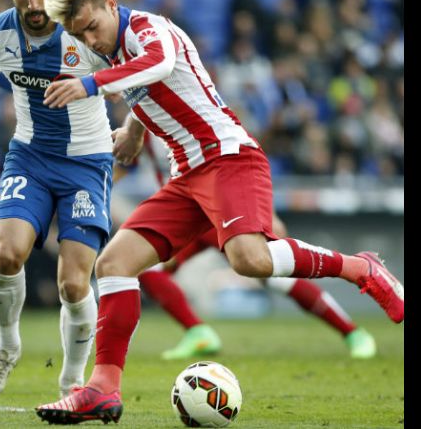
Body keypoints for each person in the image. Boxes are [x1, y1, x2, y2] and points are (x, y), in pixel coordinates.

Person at [34, 0, 404, 424]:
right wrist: (132, 128)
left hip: (229, 158)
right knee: (114, 263)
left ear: (111, 5)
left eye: (92, 26)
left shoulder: (151, 28)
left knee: (249, 259)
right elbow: (151, 87)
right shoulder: (110, 53)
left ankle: (361, 268)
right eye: (79, 34)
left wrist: (90, 84)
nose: (89, 40)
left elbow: (160, 64)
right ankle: (103, 388)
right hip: (187, 176)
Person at [0, 0, 113, 401]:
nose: (34, 5)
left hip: (87, 162)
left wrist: (136, 132)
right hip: (30, 157)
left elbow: (137, 77)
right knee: (6, 255)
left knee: (72, 283)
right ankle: (6, 347)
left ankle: (71, 379)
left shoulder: (82, 32)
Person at [120, 137, 376, 360]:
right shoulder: (145, 117)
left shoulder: (191, 108)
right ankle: (198, 333)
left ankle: (352, 332)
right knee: (146, 268)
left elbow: (240, 154)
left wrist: (267, 212)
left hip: (219, 212)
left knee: (274, 276)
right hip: (181, 215)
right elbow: (124, 162)